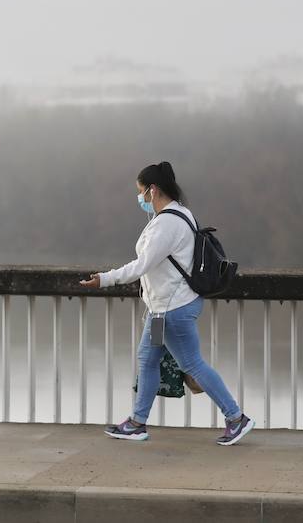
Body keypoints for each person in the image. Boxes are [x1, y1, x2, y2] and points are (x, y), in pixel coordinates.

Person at [78, 161, 254, 446]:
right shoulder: (178, 215)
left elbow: (142, 265)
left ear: (152, 189)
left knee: (192, 365)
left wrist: (104, 279)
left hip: (174, 308)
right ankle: (137, 423)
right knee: (147, 359)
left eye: (140, 192)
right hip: (166, 307)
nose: (139, 199)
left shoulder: (168, 223)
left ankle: (236, 418)